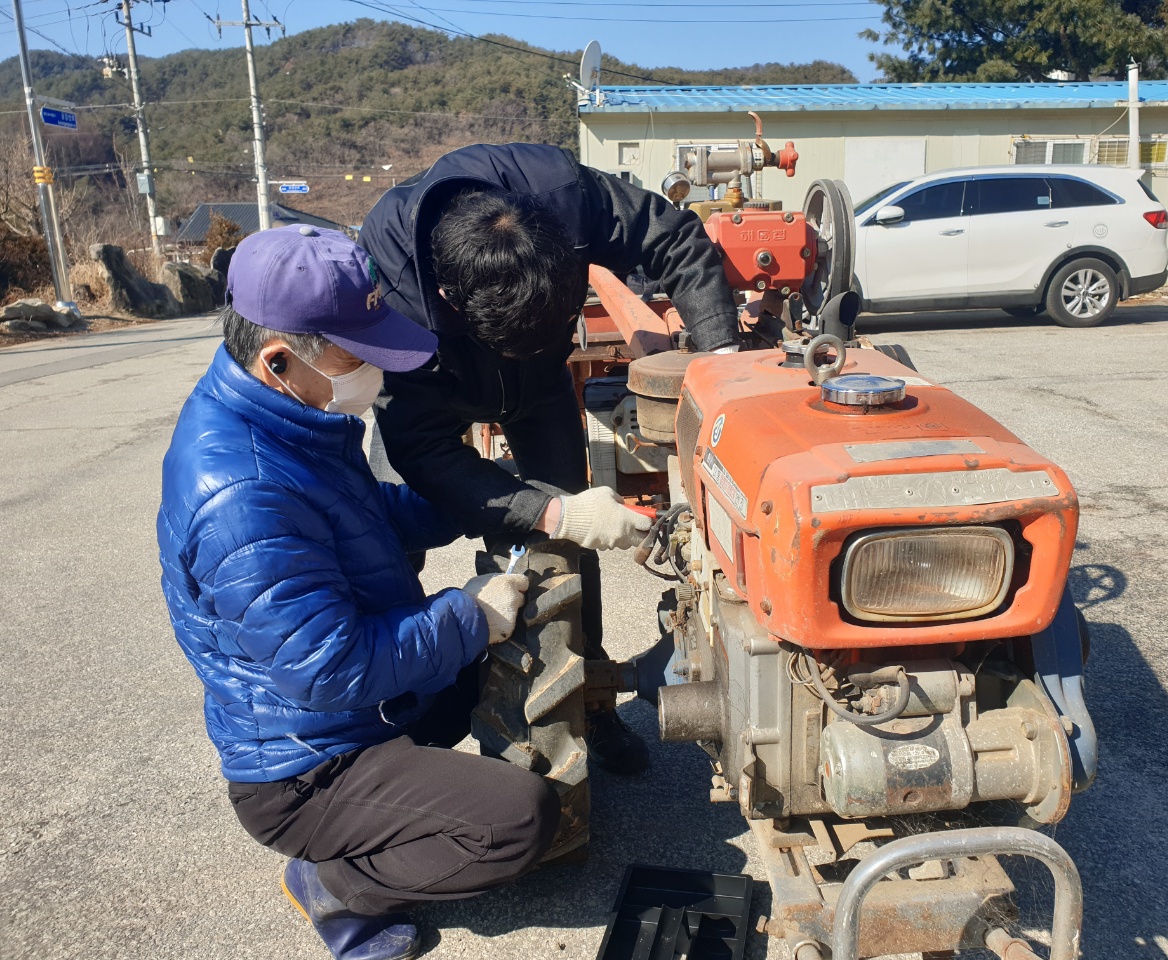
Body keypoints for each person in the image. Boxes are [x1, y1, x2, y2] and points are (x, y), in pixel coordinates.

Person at [157, 224, 558, 960]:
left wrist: (489, 497)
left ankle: (401, 802)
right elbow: (329, 670)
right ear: (279, 358)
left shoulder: (289, 416)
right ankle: (336, 884)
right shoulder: (242, 493)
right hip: (307, 767)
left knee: (501, 659)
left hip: (358, 710)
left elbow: (369, 513)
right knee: (518, 819)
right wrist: (469, 615)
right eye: (356, 354)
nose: (373, 369)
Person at [360, 143, 742, 774]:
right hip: (433, 386)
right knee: (385, 538)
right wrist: (545, 511)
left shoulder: (567, 196)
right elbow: (422, 448)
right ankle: (392, 707)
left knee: (571, 543)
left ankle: (584, 698)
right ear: (451, 299)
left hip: (538, 387)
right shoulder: (393, 285)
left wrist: (726, 368)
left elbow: (673, 235)